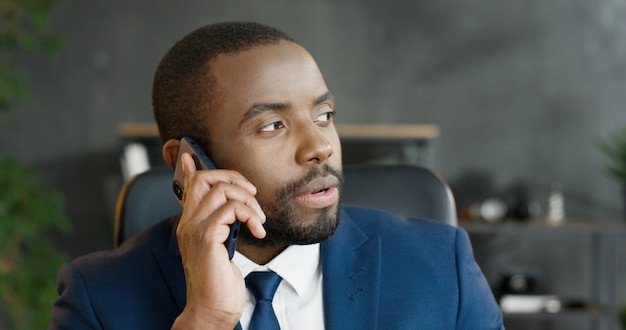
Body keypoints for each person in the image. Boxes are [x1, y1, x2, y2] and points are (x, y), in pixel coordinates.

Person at [50, 21, 504, 329]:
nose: (320, 146)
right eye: (272, 126)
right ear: (187, 162)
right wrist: (205, 318)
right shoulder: (98, 297)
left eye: (324, 114)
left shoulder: (442, 267)